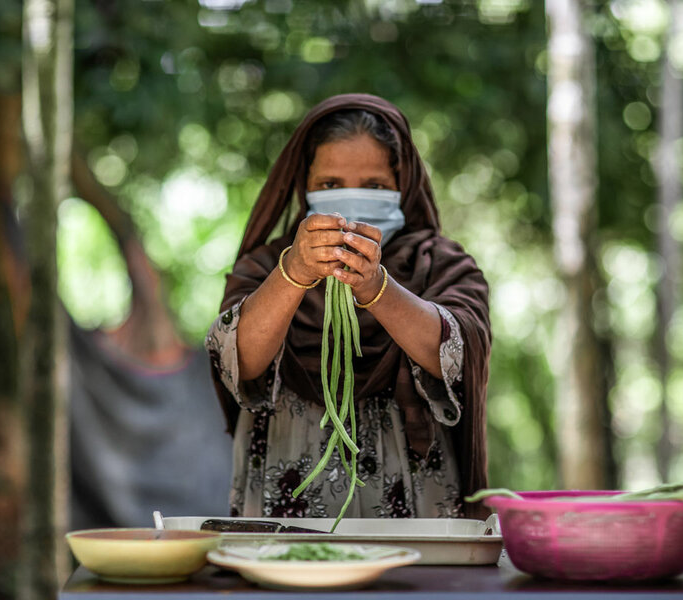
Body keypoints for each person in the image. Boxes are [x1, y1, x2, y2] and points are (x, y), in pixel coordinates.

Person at [205, 94, 491, 520]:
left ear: (404, 184)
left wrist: (378, 288)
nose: (350, 199)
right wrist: (295, 274)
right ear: (305, 187)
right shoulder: (266, 266)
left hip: (415, 512)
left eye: (374, 186)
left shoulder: (441, 265)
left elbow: (457, 353)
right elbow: (239, 361)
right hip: (287, 507)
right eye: (330, 184)